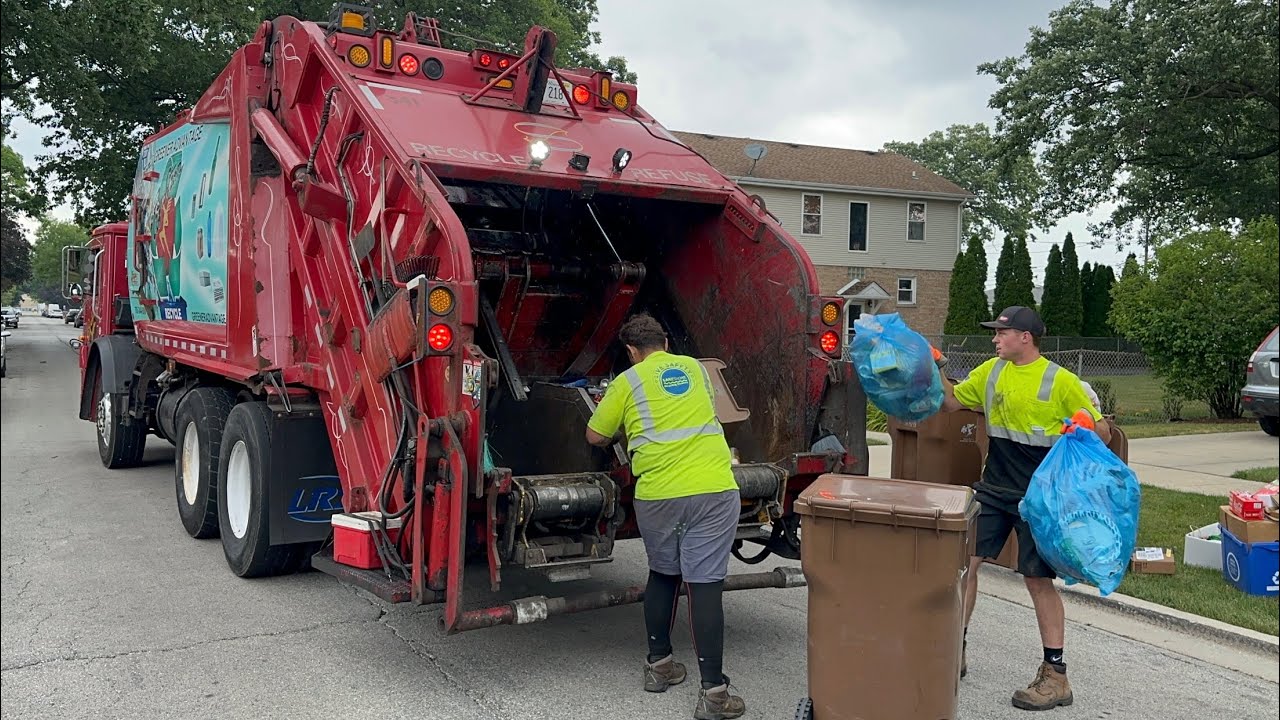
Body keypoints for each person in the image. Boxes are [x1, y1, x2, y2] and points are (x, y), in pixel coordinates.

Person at [939, 306, 1110, 711]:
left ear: (1025, 338)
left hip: (1040, 498)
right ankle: (953, 651)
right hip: (995, 488)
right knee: (965, 565)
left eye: (1002, 333)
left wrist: (1087, 422)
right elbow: (948, 404)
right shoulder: (991, 372)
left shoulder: (1062, 381)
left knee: (1037, 582)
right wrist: (935, 368)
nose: (995, 340)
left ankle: (1056, 676)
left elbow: (1102, 433)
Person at [585, 313, 746, 720]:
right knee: (704, 584)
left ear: (632, 352)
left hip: (658, 497)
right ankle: (714, 693)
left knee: (664, 574)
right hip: (712, 490)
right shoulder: (696, 368)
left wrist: (624, 429)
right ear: (666, 345)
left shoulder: (627, 381)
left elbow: (593, 436)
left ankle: (659, 666)